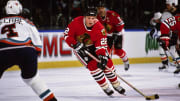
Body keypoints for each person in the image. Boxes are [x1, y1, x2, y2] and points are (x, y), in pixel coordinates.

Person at [0, 0, 57, 101]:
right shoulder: (26, 22)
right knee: (32, 79)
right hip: (26, 51)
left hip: (3, 51)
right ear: (20, 9)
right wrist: (35, 55)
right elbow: (37, 42)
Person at [63, 6, 126, 96]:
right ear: (84, 17)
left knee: (107, 63)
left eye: (93, 18)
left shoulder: (100, 28)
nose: (91, 21)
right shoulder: (76, 22)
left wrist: (102, 56)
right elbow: (66, 35)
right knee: (94, 67)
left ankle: (116, 84)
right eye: (88, 18)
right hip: (80, 48)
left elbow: (101, 44)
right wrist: (74, 44)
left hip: (94, 46)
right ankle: (105, 87)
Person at [96, 1, 130, 71]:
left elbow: (121, 24)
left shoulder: (113, 15)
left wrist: (116, 32)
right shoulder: (96, 17)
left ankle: (126, 61)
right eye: (99, 8)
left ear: (105, 8)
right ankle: (109, 66)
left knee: (118, 51)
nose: (100, 10)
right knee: (106, 51)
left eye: (102, 8)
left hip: (119, 33)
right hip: (107, 35)